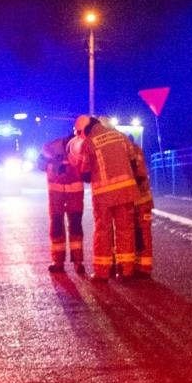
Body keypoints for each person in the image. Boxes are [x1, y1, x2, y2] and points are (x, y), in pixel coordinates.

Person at [84, 117, 140, 280]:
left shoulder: (89, 141)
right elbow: (133, 159)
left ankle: (102, 272)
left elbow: (85, 172)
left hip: (104, 194)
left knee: (103, 231)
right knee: (125, 230)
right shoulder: (120, 135)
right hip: (125, 191)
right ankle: (126, 270)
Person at [42, 118, 89, 273]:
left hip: (67, 194)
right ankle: (69, 262)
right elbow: (41, 163)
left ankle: (67, 262)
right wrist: (56, 166)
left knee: (69, 227)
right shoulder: (57, 147)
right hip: (65, 194)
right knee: (65, 227)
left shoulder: (75, 146)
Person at [129, 134, 155, 277]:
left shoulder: (125, 151)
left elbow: (137, 175)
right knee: (143, 233)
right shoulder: (138, 150)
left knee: (133, 233)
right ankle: (144, 268)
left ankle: (135, 266)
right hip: (144, 200)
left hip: (135, 200)